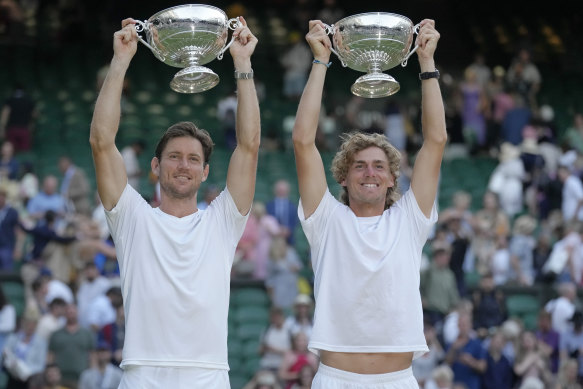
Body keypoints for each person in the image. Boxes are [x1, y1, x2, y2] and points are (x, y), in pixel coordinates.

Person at [89, 17, 259, 389]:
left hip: (208, 377)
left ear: (204, 172)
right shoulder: (132, 218)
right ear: (155, 166)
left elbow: (248, 146)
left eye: (193, 159)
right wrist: (121, 60)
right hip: (142, 376)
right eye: (174, 156)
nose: (183, 165)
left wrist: (243, 64)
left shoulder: (222, 221)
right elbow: (102, 142)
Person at [292, 18, 446, 387]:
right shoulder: (325, 219)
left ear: (393, 178)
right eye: (359, 166)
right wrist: (319, 61)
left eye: (379, 166)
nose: (369, 173)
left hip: (398, 380)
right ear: (343, 177)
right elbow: (302, 141)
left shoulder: (409, 219)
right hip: (336, 379)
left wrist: (426, 63)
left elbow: (436, 141)